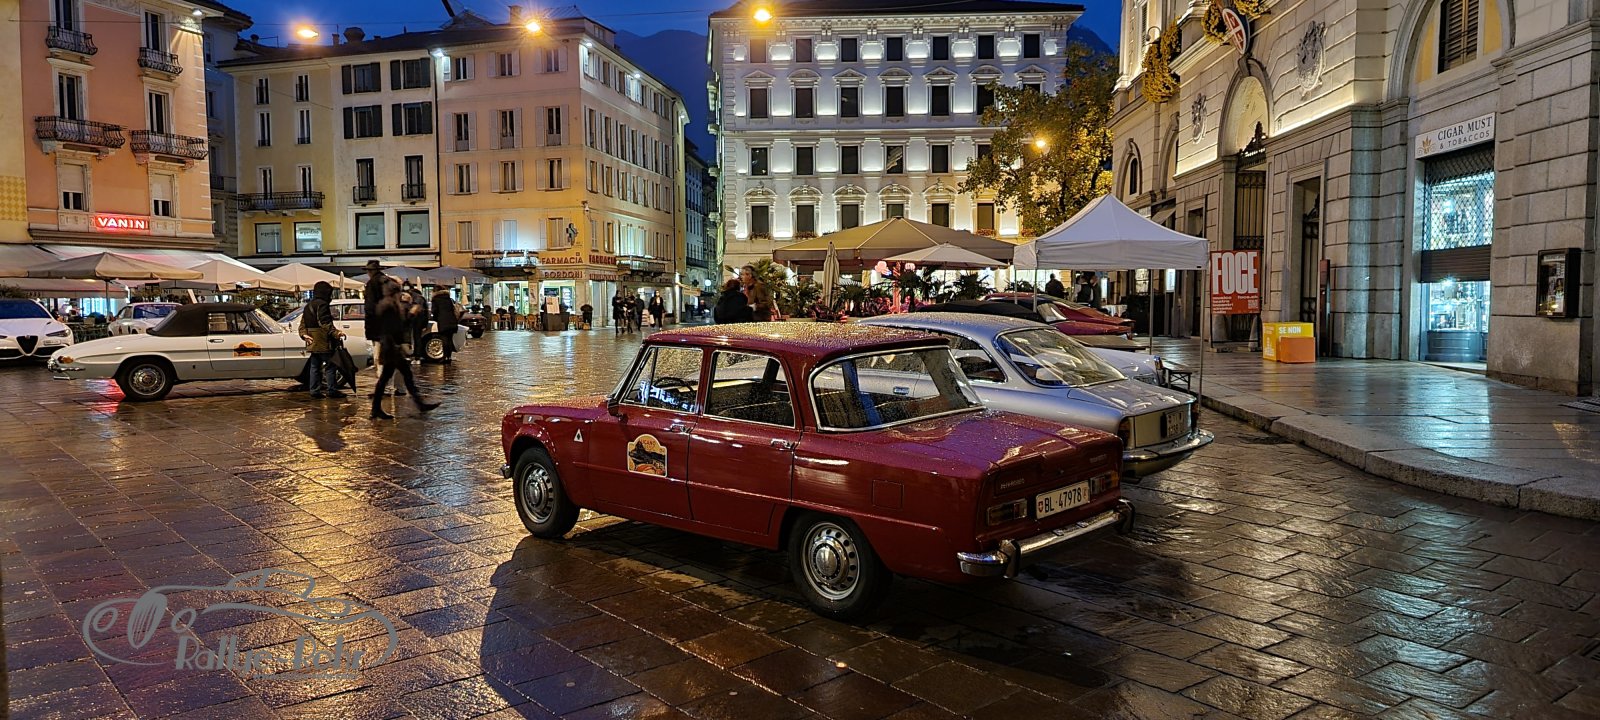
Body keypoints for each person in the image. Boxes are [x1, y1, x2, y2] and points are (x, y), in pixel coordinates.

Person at [371, 280, 439, 420]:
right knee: (396, 377)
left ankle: (377, 408)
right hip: (391, 347)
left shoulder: (389, 304)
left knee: (396, 377)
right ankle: (377, 409)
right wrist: (412, 314)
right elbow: (396, 326)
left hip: (391, 347)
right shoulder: (388, 306)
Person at [299, 281, 347, 399]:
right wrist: (336, 333)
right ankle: (332, 390)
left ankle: (314, 390)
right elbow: (324, 323)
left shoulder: (308, 306)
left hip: (312, 341)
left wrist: (303, 335)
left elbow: (302, 324)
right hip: (324, 340)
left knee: (314, 366)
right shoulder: (322, 305)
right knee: (331, 365)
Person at [431, 288, 459, 364]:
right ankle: (449, 356)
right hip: (452, 321)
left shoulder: (435, 300)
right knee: (449, 339)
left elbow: (434, 311)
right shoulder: (449, 299)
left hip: (443, 321)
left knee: (444, 339)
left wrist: (436, 319)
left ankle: (444, 357)